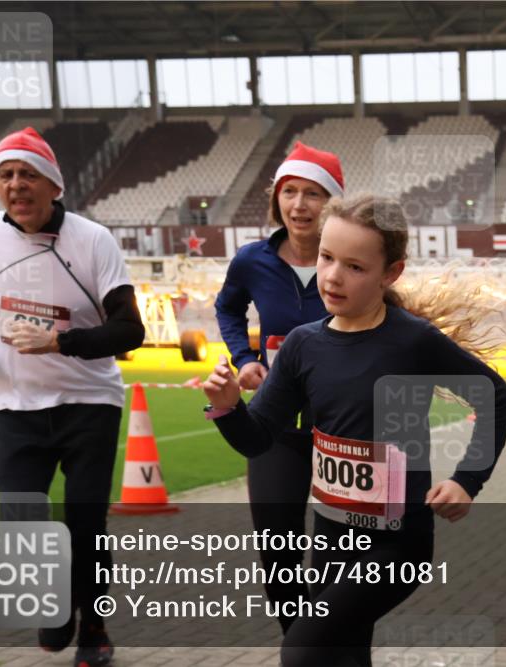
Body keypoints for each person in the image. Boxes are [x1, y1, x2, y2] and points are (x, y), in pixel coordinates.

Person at [204, 194, 506, 666]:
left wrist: (467, 479)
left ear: (391, 273)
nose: (332, 276)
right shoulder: (303, 345)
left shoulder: (412, 341)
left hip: (396, 545)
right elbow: (258, 438)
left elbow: (494, 396)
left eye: (354, 267)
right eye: (327, 258)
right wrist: (228, 409)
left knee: (302, 652)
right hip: (332, 539)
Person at [0, 127, 144, 667]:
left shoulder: (93, 239)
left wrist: (60, 342)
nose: (16, 184)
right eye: (6, 175)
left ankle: (95, 630)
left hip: (89, 402)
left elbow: (130, 330)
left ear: (54, 185)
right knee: (21, 520)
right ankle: (56, 603)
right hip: (14, 402)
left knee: (86, 526)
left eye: (28, 174)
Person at [213, 141, 342, 633]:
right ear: (276, 199)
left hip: (343, 429)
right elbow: (228, 308)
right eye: (290, 192)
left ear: (334, 203)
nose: (299, 205)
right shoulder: (252, 261)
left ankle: (336, 646)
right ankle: (301, 646)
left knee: (341, 555)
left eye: (314, 193)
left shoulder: (351, 257)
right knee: (277, 550)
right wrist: (244, 358)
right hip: (275, 423)